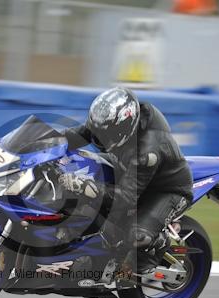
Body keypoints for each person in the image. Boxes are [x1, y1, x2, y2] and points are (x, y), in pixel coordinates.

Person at [59, 87, 193, 275]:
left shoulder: (147, 153)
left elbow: (127, 198)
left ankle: (158, 245)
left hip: (166, 190)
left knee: (136, 237)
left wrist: (88, 188)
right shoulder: (111, 123)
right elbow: (78, 135)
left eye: (105, 134)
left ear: (123, 128)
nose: (99, 137)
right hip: (130, 173)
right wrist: (44, 141)